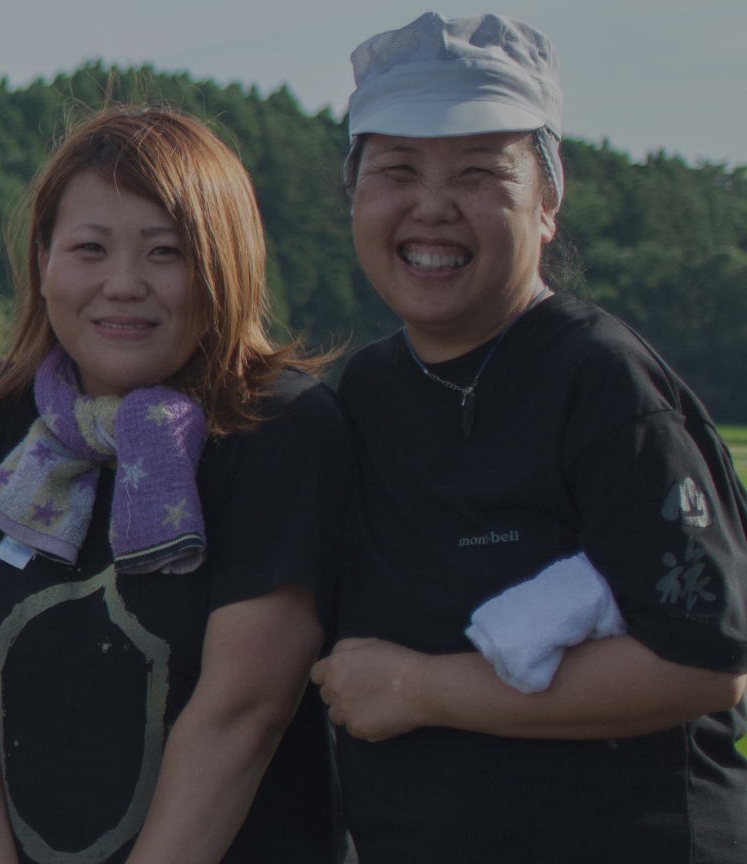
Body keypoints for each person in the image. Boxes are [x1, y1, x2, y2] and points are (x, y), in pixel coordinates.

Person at [311, 14, 747, 861]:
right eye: (397, 169)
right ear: (354, 195)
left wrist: (424, 688)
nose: (431, 206)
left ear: (547, 202)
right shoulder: (367, 392)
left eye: (479, 171)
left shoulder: (599, 379)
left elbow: (704, 660)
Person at [0, 107, 346, 864]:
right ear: (42, 261)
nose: (123, 285)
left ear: (225, 266)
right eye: (89, 249)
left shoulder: (279, 430)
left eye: (166, 252)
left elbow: (243, 712)